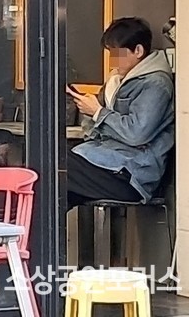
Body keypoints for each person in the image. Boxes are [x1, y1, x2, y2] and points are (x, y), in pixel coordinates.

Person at [66, 17, 175, 208]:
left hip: (131, 175)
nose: (112, 62)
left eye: (117, 54)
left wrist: (98, 113)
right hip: (105, 162)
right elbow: (92, 129)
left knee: (54, 166)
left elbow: (137, 134)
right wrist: (90, 112)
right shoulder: (116, 81)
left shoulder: (156, 84)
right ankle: (34, 226)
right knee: (55, 188)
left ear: (138, 51)